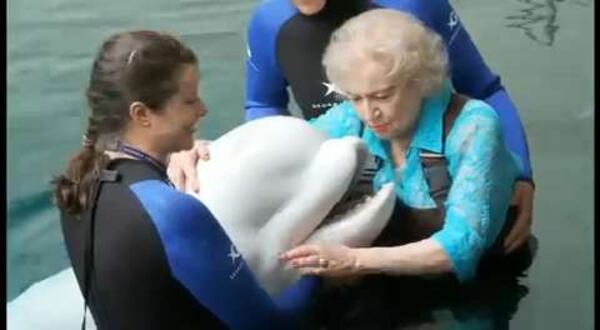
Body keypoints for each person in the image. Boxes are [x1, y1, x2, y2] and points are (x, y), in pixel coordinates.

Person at [168, 0, 534, 255]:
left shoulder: (412, 4)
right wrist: (208, 157)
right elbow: (264, 108)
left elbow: (483, 88)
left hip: (441, 181)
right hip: (351, 185)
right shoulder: (270, 22)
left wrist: (521, 176)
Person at [52, 30, 316, 330]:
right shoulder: (170, 211)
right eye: (189, 101)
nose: (203, 109)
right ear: (142, 114)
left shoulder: (79, 185)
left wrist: (171, 154)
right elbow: (270, 325)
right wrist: (320, 277)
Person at [280, 8, 533, 284]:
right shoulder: (352, 119)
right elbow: (288, 146)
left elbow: (462, 244)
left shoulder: (474, 126)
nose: (368, 112)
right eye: (355, 97)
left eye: (383, 96)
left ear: (420, 81)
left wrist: (354, 260)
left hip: (483, 283)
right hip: (390, 272)